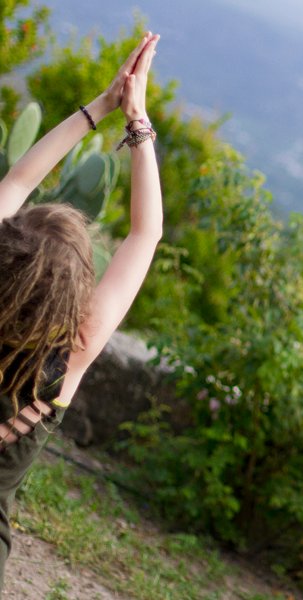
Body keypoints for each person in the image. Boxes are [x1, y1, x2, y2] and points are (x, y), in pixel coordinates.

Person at [0, 32, 162, 587]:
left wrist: (101, 104)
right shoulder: (69, 356)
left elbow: (18, 179)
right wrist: (136, 120)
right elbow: (146, 234)